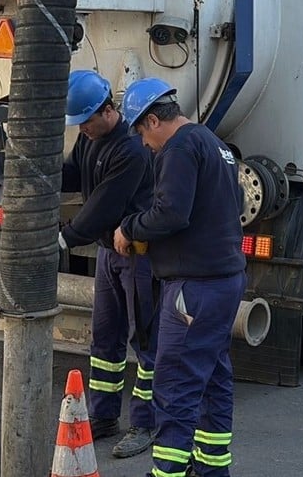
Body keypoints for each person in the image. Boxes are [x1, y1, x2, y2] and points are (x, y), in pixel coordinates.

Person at [112, 77, 245, 477]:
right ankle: (211, 469)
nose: (142, 142)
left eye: (140, 131)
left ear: (153, 120)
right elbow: (233, 203)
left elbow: (171, 213)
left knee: (174, 387)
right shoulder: (214, 143)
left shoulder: (179, 148)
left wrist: (130, 228)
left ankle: (167, 472)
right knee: (214, 378)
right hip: (224, 281)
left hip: (194, 288)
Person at [58, 69, 158, 459]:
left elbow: (105, 206)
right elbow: (74, 175)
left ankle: (145, 423)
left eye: (85, 122)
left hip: (139, 256)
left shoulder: (131, 149)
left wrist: (65, 238)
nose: (81, 130)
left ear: (108, 110)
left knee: (144, 342)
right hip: (108, 255)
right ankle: (102, 416)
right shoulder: (90, 141)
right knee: (105, 339)